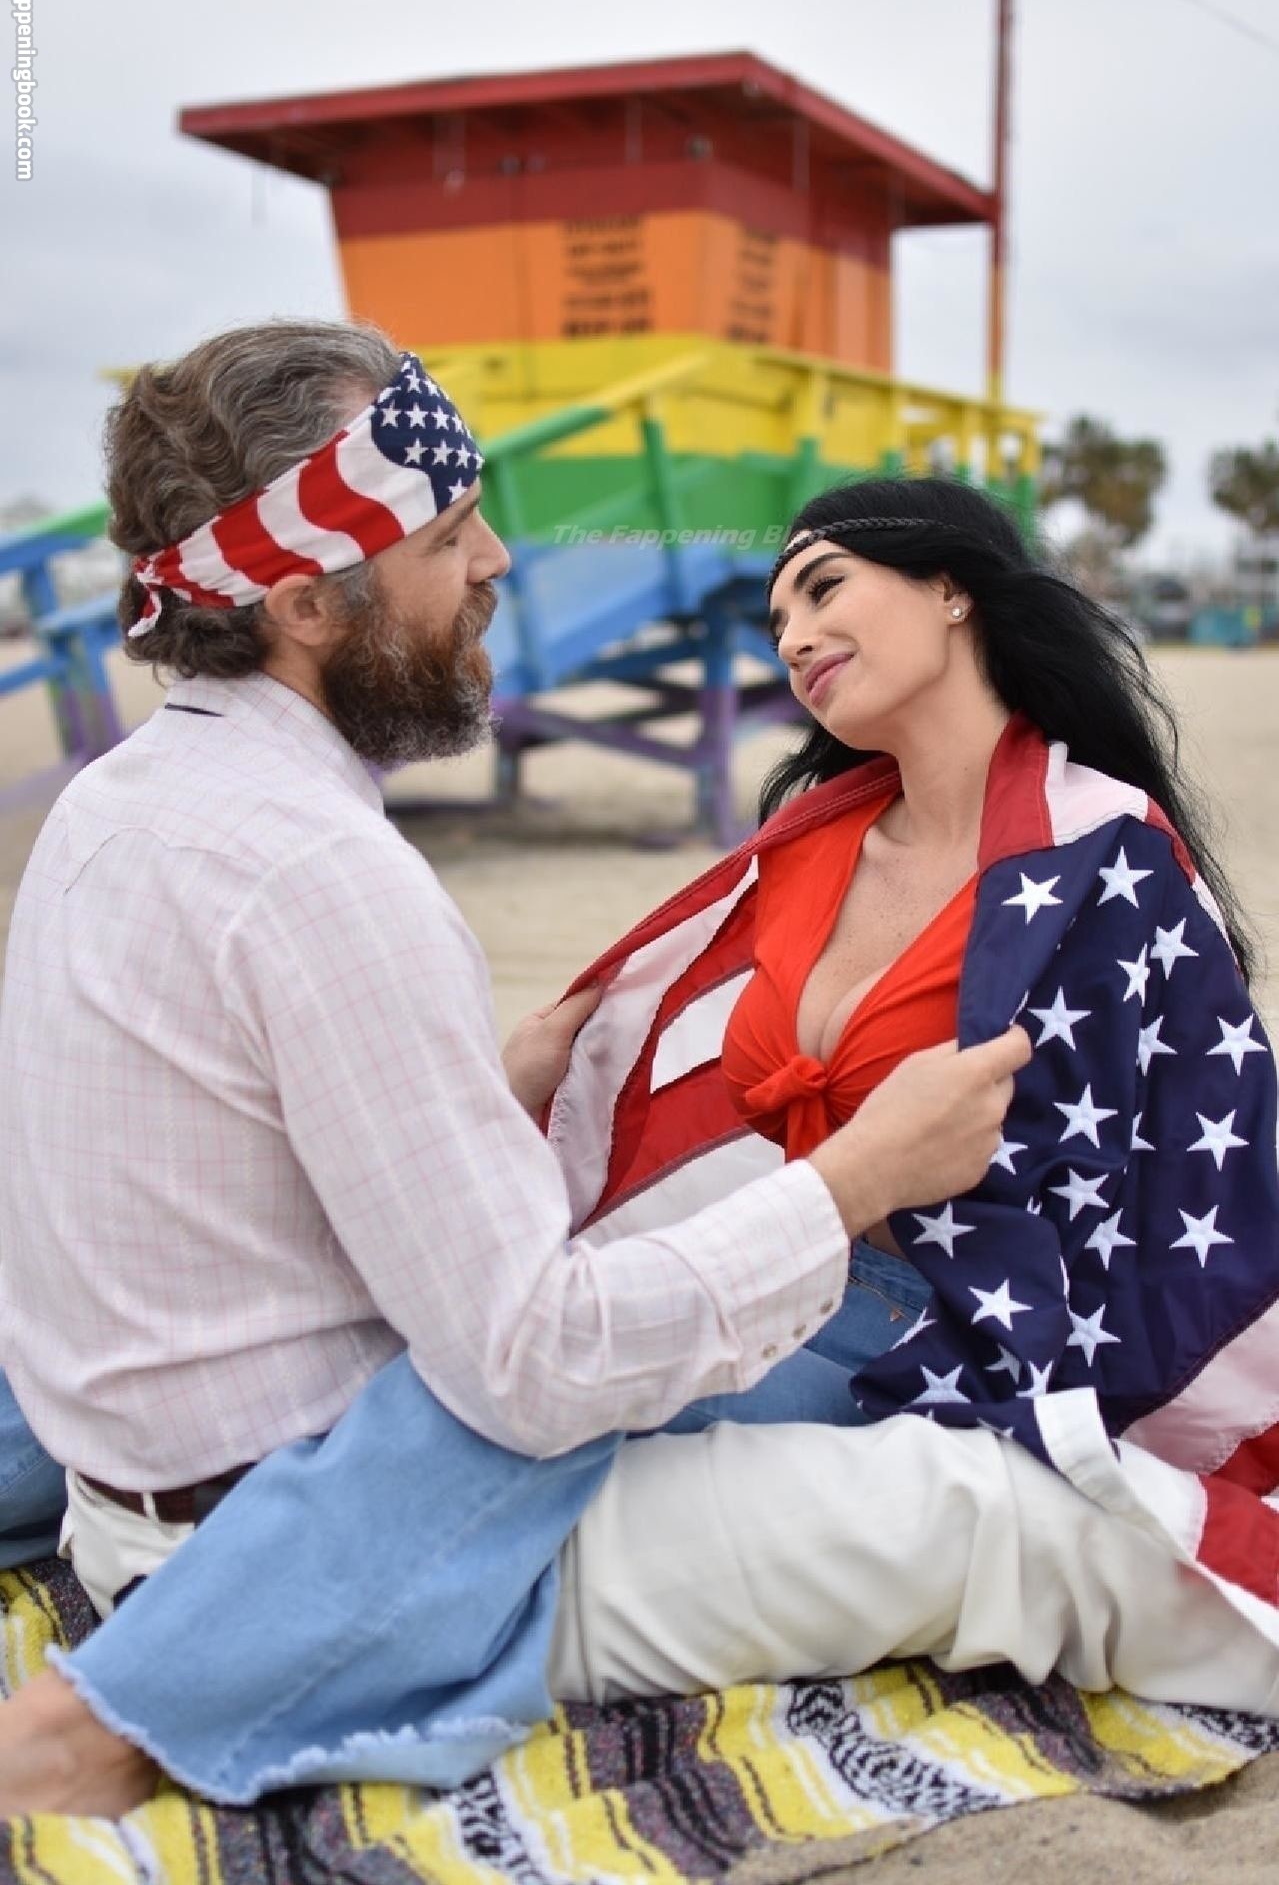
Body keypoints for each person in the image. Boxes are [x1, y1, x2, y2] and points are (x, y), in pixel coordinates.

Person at [4, 473, 1278, 1819]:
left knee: (495, 1398)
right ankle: (146, 1578)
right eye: (776, 616)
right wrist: (526, 1099)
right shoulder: (807, 845)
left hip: (933, 1319)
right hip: (787, 1254)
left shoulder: (1096, 859)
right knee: (491, 1364)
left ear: (954, 587)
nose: (793, 636)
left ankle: (152, 1668)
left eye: (824, 589)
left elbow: (1176, 1167)